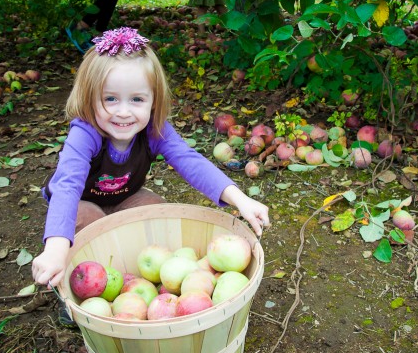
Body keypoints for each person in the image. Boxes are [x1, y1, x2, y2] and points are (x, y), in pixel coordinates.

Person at [32, 27, 270, 289]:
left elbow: (190, 161)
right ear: (89, 99)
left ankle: (140, 277)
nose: (123, 112)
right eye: (110, 98)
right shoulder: (85, 133)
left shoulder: (154, 129)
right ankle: (77, 284)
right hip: (82, 201)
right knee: (90, 225)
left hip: (125, 196)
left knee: (156, 209)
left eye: (136, 99)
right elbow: (67, 185)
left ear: (153, 102)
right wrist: (55, 247)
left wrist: (240, 199)